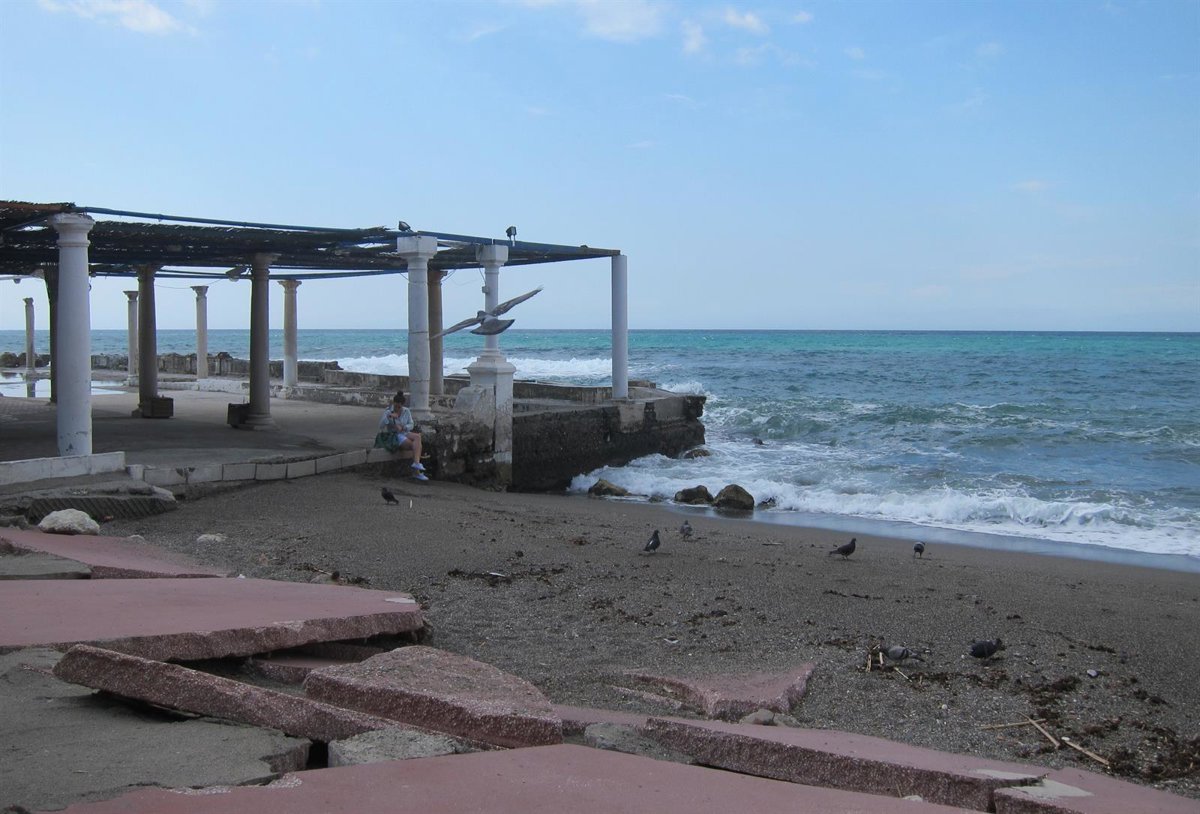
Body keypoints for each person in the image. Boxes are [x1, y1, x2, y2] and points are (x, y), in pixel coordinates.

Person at [374, 391, 427, 481]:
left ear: (402, 405)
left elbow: (411, 424)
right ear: (393, 403)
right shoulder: (388, 411)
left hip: (404, 432)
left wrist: (403, 427)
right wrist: (389, 416)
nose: (397, 408)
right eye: (396, 406)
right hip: (394, 435)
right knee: (415, 446)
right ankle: (416, 472)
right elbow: (381, 426)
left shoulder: (406, 411)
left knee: (418, 437)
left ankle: (416, 464)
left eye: (399, 406)